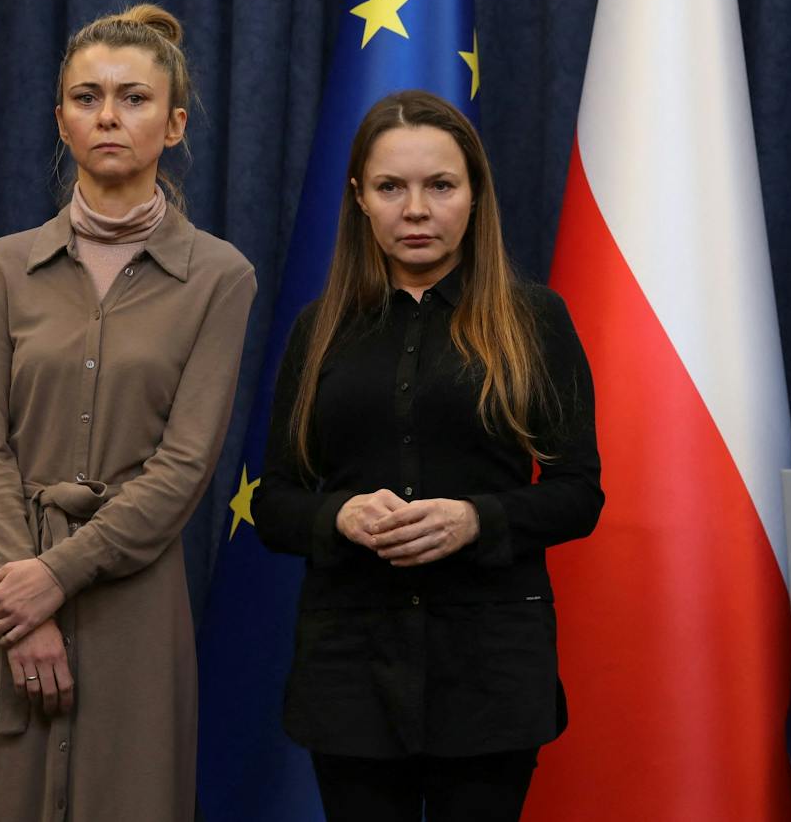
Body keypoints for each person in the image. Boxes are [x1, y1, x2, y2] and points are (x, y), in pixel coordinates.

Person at [0, 4, 257, 820]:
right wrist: (19, 596)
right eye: (87, 96)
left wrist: (59, 576)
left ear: (174, 124)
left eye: (134, 98)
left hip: (132, 597)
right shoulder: (1, 267)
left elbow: (185, 465)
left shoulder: (220, 277)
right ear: (61, 120)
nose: (109, 115)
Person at [252, 91, 603, 821]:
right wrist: (339, 514)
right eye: (391, 187)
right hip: (350, 664)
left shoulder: (535, 321)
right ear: (359, 199)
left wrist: (479, 519)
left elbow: (578, 493)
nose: (416, 209)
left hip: (490, 670)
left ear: (475, 195)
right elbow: (274, 501)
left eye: (440, 185)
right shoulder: (320, 329)